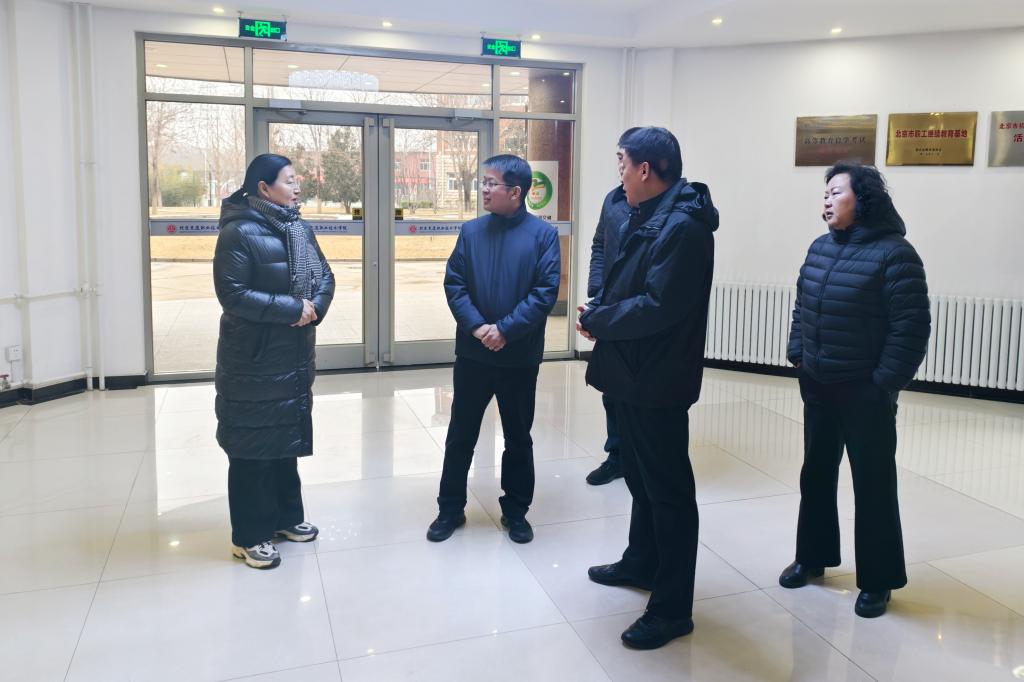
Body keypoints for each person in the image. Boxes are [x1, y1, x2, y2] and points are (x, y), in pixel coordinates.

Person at [578, 127, 718, 649]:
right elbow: (620, 277)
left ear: (644, 168)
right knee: (638, 476)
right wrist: (600, 310)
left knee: (669, 492)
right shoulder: (641, 211)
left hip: (658, 376)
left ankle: (672, 609)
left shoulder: (683, 226)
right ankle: (641, 561)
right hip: (630, 369)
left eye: (622, 161)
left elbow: (658, 306)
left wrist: (599, 320)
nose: (618, 172)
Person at [779, 162, 929, 617]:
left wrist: (883, 384)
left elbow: (910, 328)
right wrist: (798, 353)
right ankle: (812, 558)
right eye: (824, 193)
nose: (826, 200)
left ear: (863, 199)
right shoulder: (820, 247)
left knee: (873, 484)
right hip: (818, 383)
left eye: (836, 192)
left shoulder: (896, 254)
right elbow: (803, 305)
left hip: (865, 391)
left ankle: (879, 580)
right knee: (816, 474)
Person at [426, 154, 561, 545]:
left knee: (518, 436)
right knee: (461, 433)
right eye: (482, 182)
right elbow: (455, 284)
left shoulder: (543, 236)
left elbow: (544, 292)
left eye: (491, 183)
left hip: (519, 355)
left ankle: (516, 511)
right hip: (474, 354)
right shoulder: (471, 232)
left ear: (515, 192)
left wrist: (505, 330)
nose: (483, 189)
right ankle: (450, 509)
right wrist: (478, 327)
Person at [213, 153, 335, 569]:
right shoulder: (238, 231)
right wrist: (292, 309)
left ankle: (285, 518)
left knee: (284, 441)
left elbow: (325, 276)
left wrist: (314, 307)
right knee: (252, 448)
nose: (297, 187)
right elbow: (233, 294)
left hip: (294, 355)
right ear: (263, 188)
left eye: (297, 179)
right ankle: (249, 536)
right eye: (289, 180)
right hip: (254, 358)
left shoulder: (298, 226)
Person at [583, 129, 635, 487]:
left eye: (623, 158)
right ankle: (616, 456)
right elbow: (599, 245)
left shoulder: (661, 210)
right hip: (610, 307)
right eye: (617, 158)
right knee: (611, 389)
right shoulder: (613, 201)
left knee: (639, 390)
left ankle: (638, 455)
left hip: (640, 311)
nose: (619, 165)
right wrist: (597, 294)